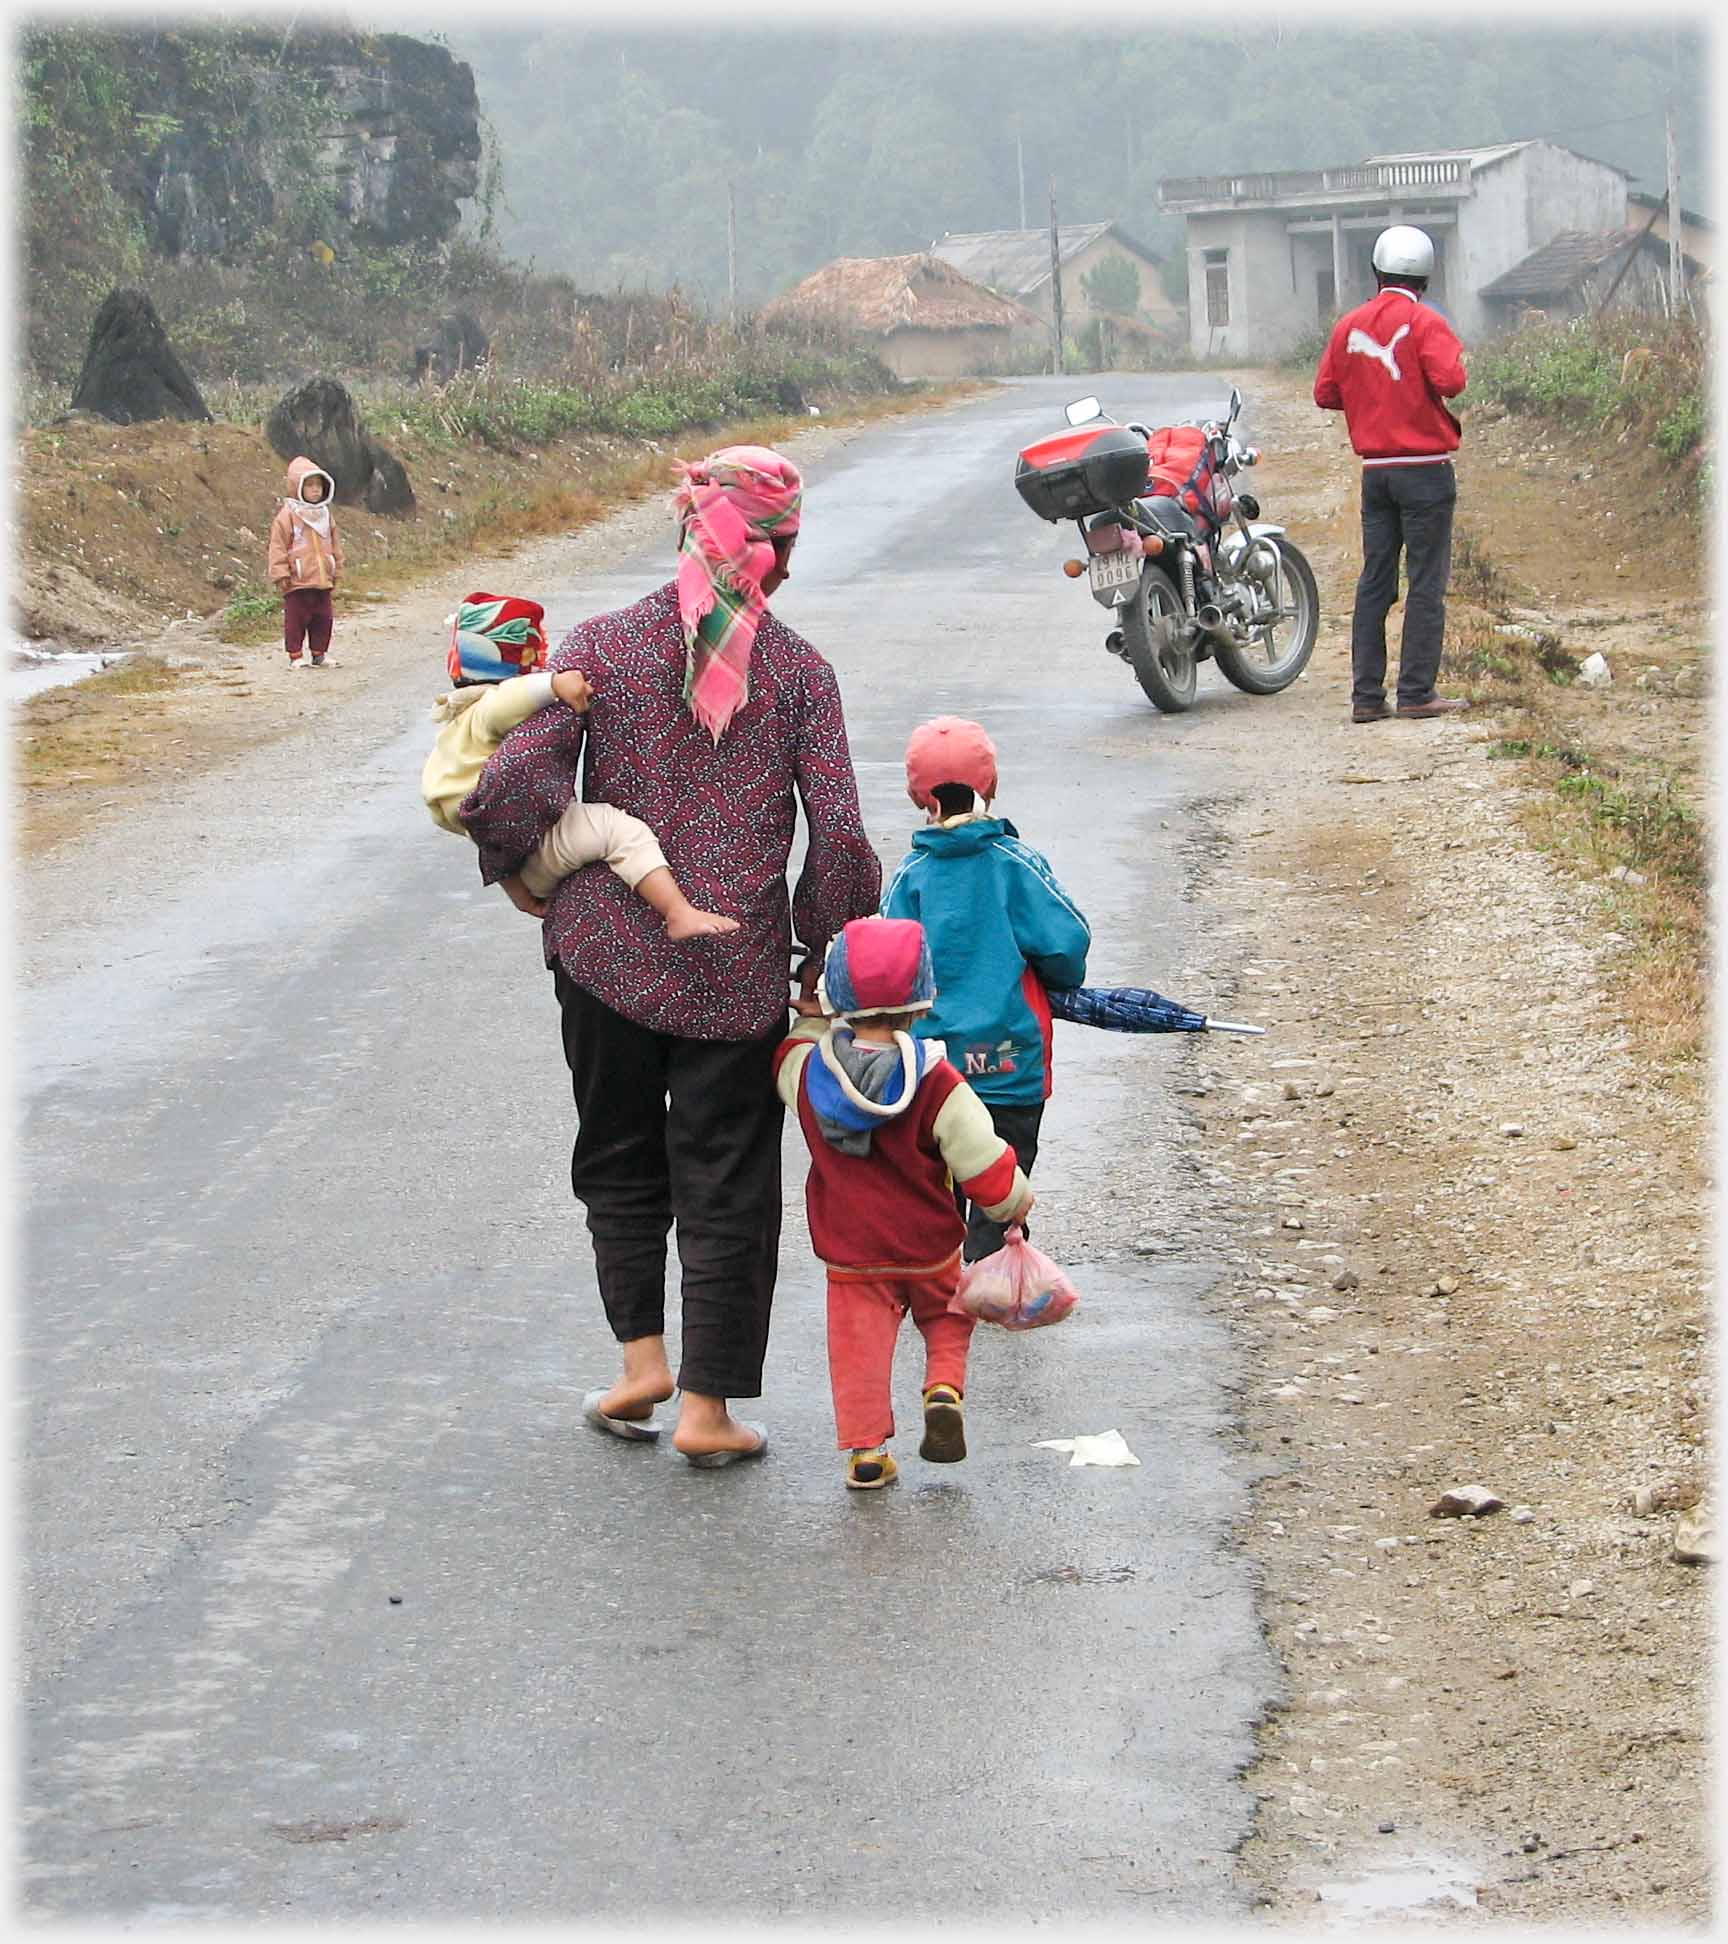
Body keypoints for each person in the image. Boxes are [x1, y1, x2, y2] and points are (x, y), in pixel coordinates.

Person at [458, 445, 881, 1466]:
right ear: (779, 553)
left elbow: (512, 778)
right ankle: (707, 1410)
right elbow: (841, 834)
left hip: (601, 952)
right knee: (729, 1182)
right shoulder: (801, 677)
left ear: (688, 535)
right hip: (733, 972)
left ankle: (639, 1362)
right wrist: (819, 954)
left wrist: (517, 873)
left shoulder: (601, 647)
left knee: (615, 1151)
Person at [775, 917, 1035, 1491]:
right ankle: (943, 1387)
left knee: (858, 1348)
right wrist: (1013, 1201)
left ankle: (867, 1452)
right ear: (923, 1003)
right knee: (947, 1316)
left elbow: (787, 1057)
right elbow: (980, 1160)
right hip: (928, 1246)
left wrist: (809, 1019)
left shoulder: (811, 1073)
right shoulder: (937, 1081)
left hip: (850, 1252)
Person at [882, 716, 1089, 1261]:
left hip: (934, 1072)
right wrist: (1057, 979)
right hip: (1010, 1065)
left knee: (937, 1180)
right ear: (990, 787)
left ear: (918, 798)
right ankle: (996, 1273)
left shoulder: (911, 878)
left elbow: (889, 970)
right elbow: (1069, 942)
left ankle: (940, 1288)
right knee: (1002, 1180)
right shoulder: (1015, 866)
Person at [422, 597, 738, 940]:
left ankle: (525, 896)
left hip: (511, 859)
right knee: (620, 832)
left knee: (495, 841)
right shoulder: (489, 707)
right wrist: (555, 684)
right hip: (541, 844)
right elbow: (509, 700)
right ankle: (678, 912)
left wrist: (521, 894)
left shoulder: (458, 721)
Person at [1314, 224, 1471, 724]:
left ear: (1376, 271)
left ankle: (1366, 697)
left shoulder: (1348, 325)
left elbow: (1326, 393)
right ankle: (1416, 692)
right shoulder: (1427, 322)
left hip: (1375, 475)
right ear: (1426, 275)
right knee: (1426, 581)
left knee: (1375, 581)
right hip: (1424, 472)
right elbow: (1452, 381)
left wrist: (1369, 393)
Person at [268, 457, 343, 668]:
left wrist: (336, 569)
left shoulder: (325, 516)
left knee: (323, 619)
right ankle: (296, 655)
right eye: (309, 485)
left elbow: (335, 543)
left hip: (322, 579)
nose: (315, 490)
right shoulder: (288, 516)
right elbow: (278, 546)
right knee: (296, 621)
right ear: (297, 486)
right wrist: (281, 573)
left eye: (319, 485)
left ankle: (320, 653)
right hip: (297, 581)